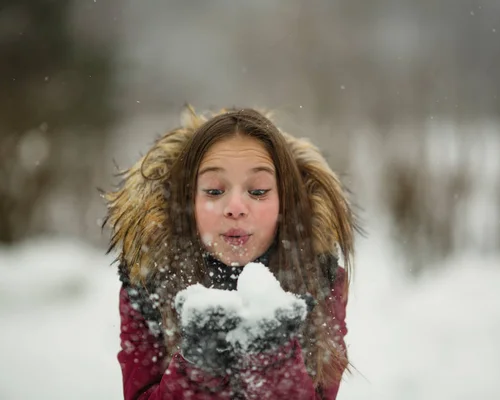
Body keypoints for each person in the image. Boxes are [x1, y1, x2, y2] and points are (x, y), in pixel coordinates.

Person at [103, 107, 358, 399]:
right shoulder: (150, 280)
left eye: (259, 191)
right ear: (187, 202)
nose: (235, 207)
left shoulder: (319, 278)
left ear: (284, 203)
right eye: (213, 191)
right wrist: (197, 369)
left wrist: (273, 363)